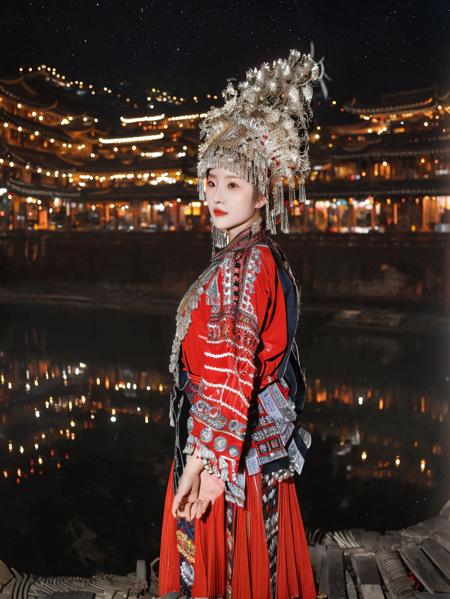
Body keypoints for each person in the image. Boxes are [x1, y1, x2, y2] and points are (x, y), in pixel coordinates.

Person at [158, 48, 327, 599]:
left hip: (231, 456)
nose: (215, 196)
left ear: (261, 192)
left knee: (226, 573)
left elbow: (234, 365)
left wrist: (206, 464)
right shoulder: (244, 256)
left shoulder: (249, 262)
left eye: (232, 184)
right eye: (211, 181)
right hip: (234, 444)